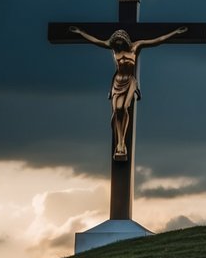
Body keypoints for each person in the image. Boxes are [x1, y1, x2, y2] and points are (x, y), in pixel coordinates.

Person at [67, 25, 187, 160]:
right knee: (117, 110)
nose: (118, 46)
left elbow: (156, 40)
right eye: (116, 44)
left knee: (124, 108)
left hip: (130, 82)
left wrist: (175, 33)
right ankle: (120, 142)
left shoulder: (136, 46)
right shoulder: (112, 48)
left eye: (120, 43)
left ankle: (121, 144)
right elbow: (96, 41)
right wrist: (80, 32)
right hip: (117, 83)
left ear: (124, 40)